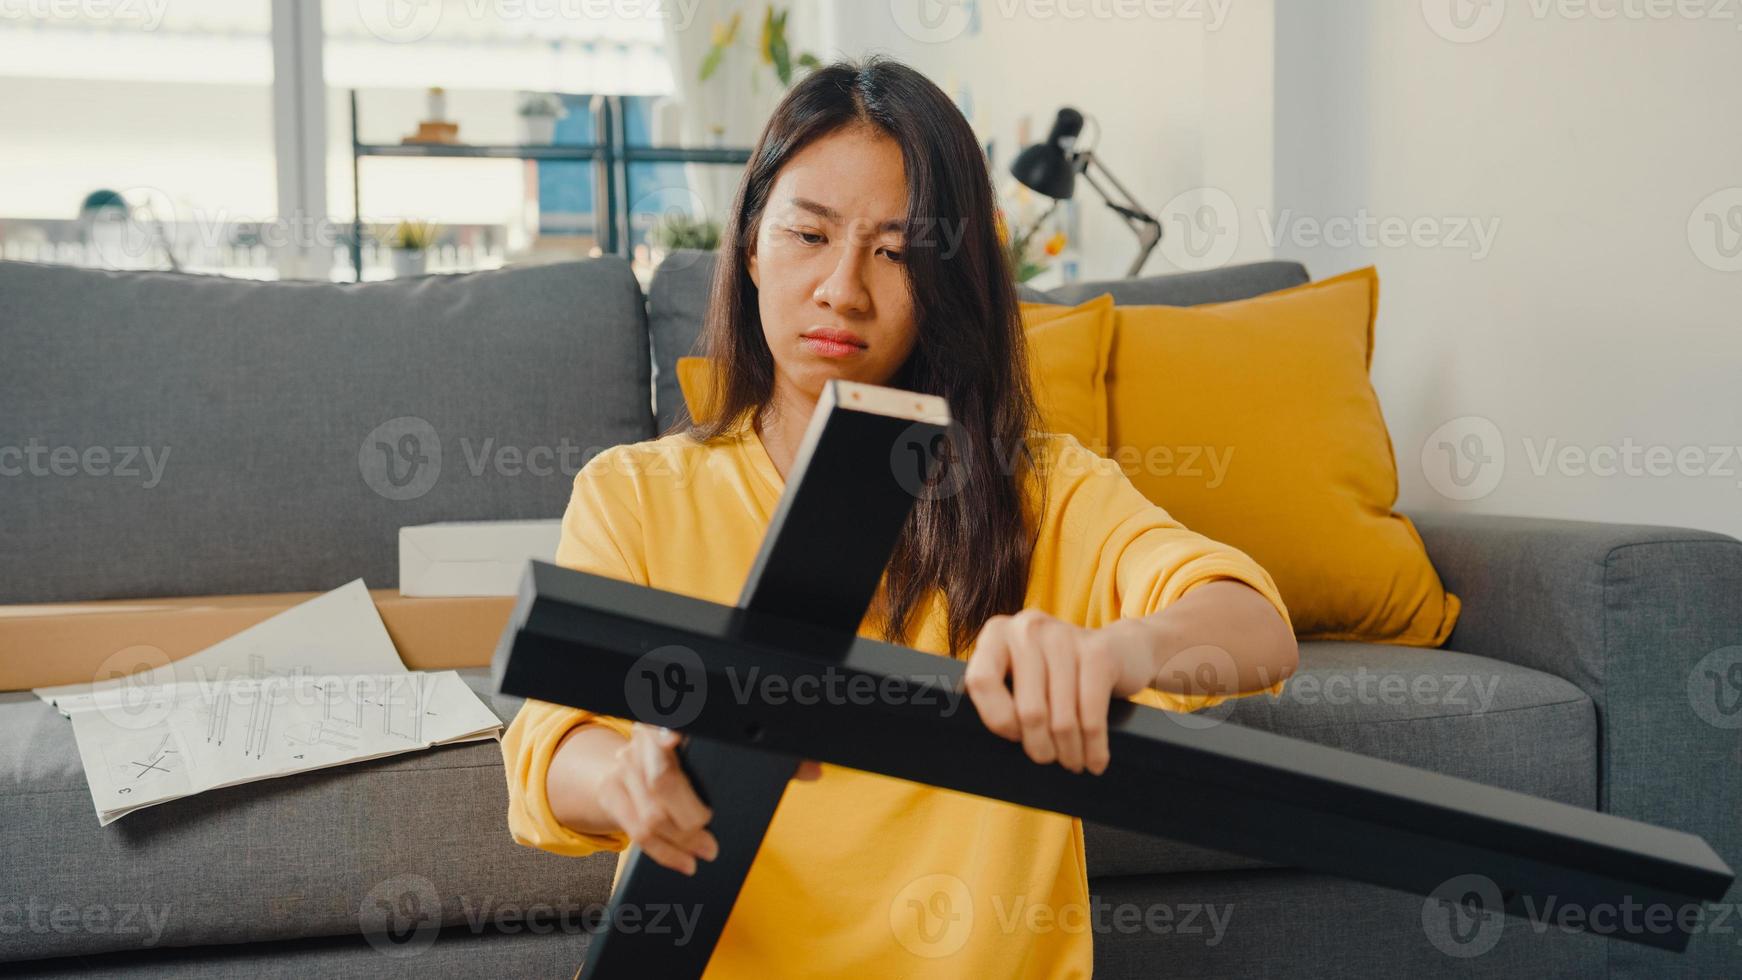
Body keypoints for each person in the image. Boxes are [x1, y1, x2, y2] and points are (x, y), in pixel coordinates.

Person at [501, 55, 1298, 978]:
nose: (844, 287)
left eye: (896, 251)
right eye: (808, 235)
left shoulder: (1038, 489)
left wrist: (1115, 654)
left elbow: (1252, 620)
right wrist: (626, 775)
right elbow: (548, 746)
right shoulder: (634, 493)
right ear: (751, 244)